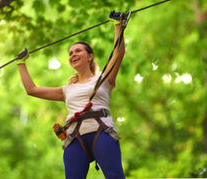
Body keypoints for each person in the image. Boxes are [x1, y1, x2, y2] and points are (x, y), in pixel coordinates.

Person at [17, 11, 126, 179]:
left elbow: (117, 54)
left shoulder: (104, 79)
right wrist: (21, 63)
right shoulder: (66, 89)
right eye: (70, 53)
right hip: (75, 139)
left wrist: (118, 24)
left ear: (90, 57)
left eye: (77, 51)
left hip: (101, 131)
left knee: (114, 176)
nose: (73, 54)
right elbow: (31, 90)